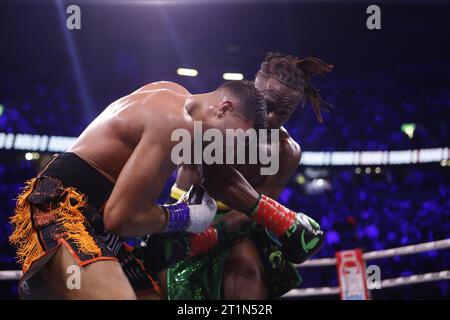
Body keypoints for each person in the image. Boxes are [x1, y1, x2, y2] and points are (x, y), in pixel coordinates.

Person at [9, 80, 268, 299]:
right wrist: (183, 215)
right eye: (236, 138)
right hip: (61, 210)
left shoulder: (173, 94)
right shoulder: (175, 123)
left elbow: (217, 175)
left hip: (96, 221)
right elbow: (120, 218)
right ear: (224, 109)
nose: (231, 148)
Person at [132, 52, 333, 300]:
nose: (271, 118)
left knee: (248, 275)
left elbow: (258, 206)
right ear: (251, 89)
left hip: (237, 224)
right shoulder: (213, 115)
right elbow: (206, 176)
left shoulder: (286, 150)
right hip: (183, 213)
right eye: (267, 105)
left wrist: (212, 235)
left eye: (283, 113)